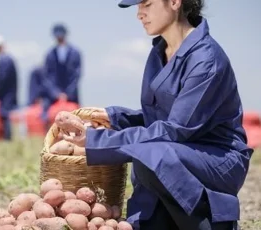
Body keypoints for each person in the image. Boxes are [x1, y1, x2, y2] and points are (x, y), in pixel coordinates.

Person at [54, 0, 253, 229]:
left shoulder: (206, 60)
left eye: (147, 4)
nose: (140, 14)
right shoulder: (159, 52)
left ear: (175, 2)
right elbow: (157, 120)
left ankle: (213, 223)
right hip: (177, 154)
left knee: (150, 151)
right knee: (148, 150)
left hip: (217, 159)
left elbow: (175, 130)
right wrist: (115, 117)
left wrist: (96, 140)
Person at [42, 23, 82, 123]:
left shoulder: (75, 53)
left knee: (76, 117)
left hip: (71, 95)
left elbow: (76, 75)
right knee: (48, 117)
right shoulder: (50, 54)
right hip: (54, 96)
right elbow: (47, 77)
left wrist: (68, 93)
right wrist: (56, 93)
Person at [0, 34, 18, 141]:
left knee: (4, 114)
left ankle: (7, 137)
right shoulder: (8, 58)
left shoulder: (4, 59)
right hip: (9, 91)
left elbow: (2, 79)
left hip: (6, 93)